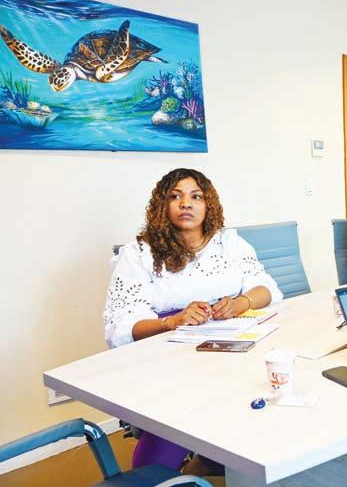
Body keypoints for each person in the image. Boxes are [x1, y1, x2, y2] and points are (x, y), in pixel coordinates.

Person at [103, 168, 282, 471]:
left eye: (196, 197)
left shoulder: (229, 244)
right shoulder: (140, 254)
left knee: (262, 398)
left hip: (231, 347)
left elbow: (267, 288)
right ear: (162, 206)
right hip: (168, 359)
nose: (186, 203)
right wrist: (172, 321)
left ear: (208, 204)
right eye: (176, 196)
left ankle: (224, 460)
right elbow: (120, 326)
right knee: (170, 436)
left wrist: (240, 303)